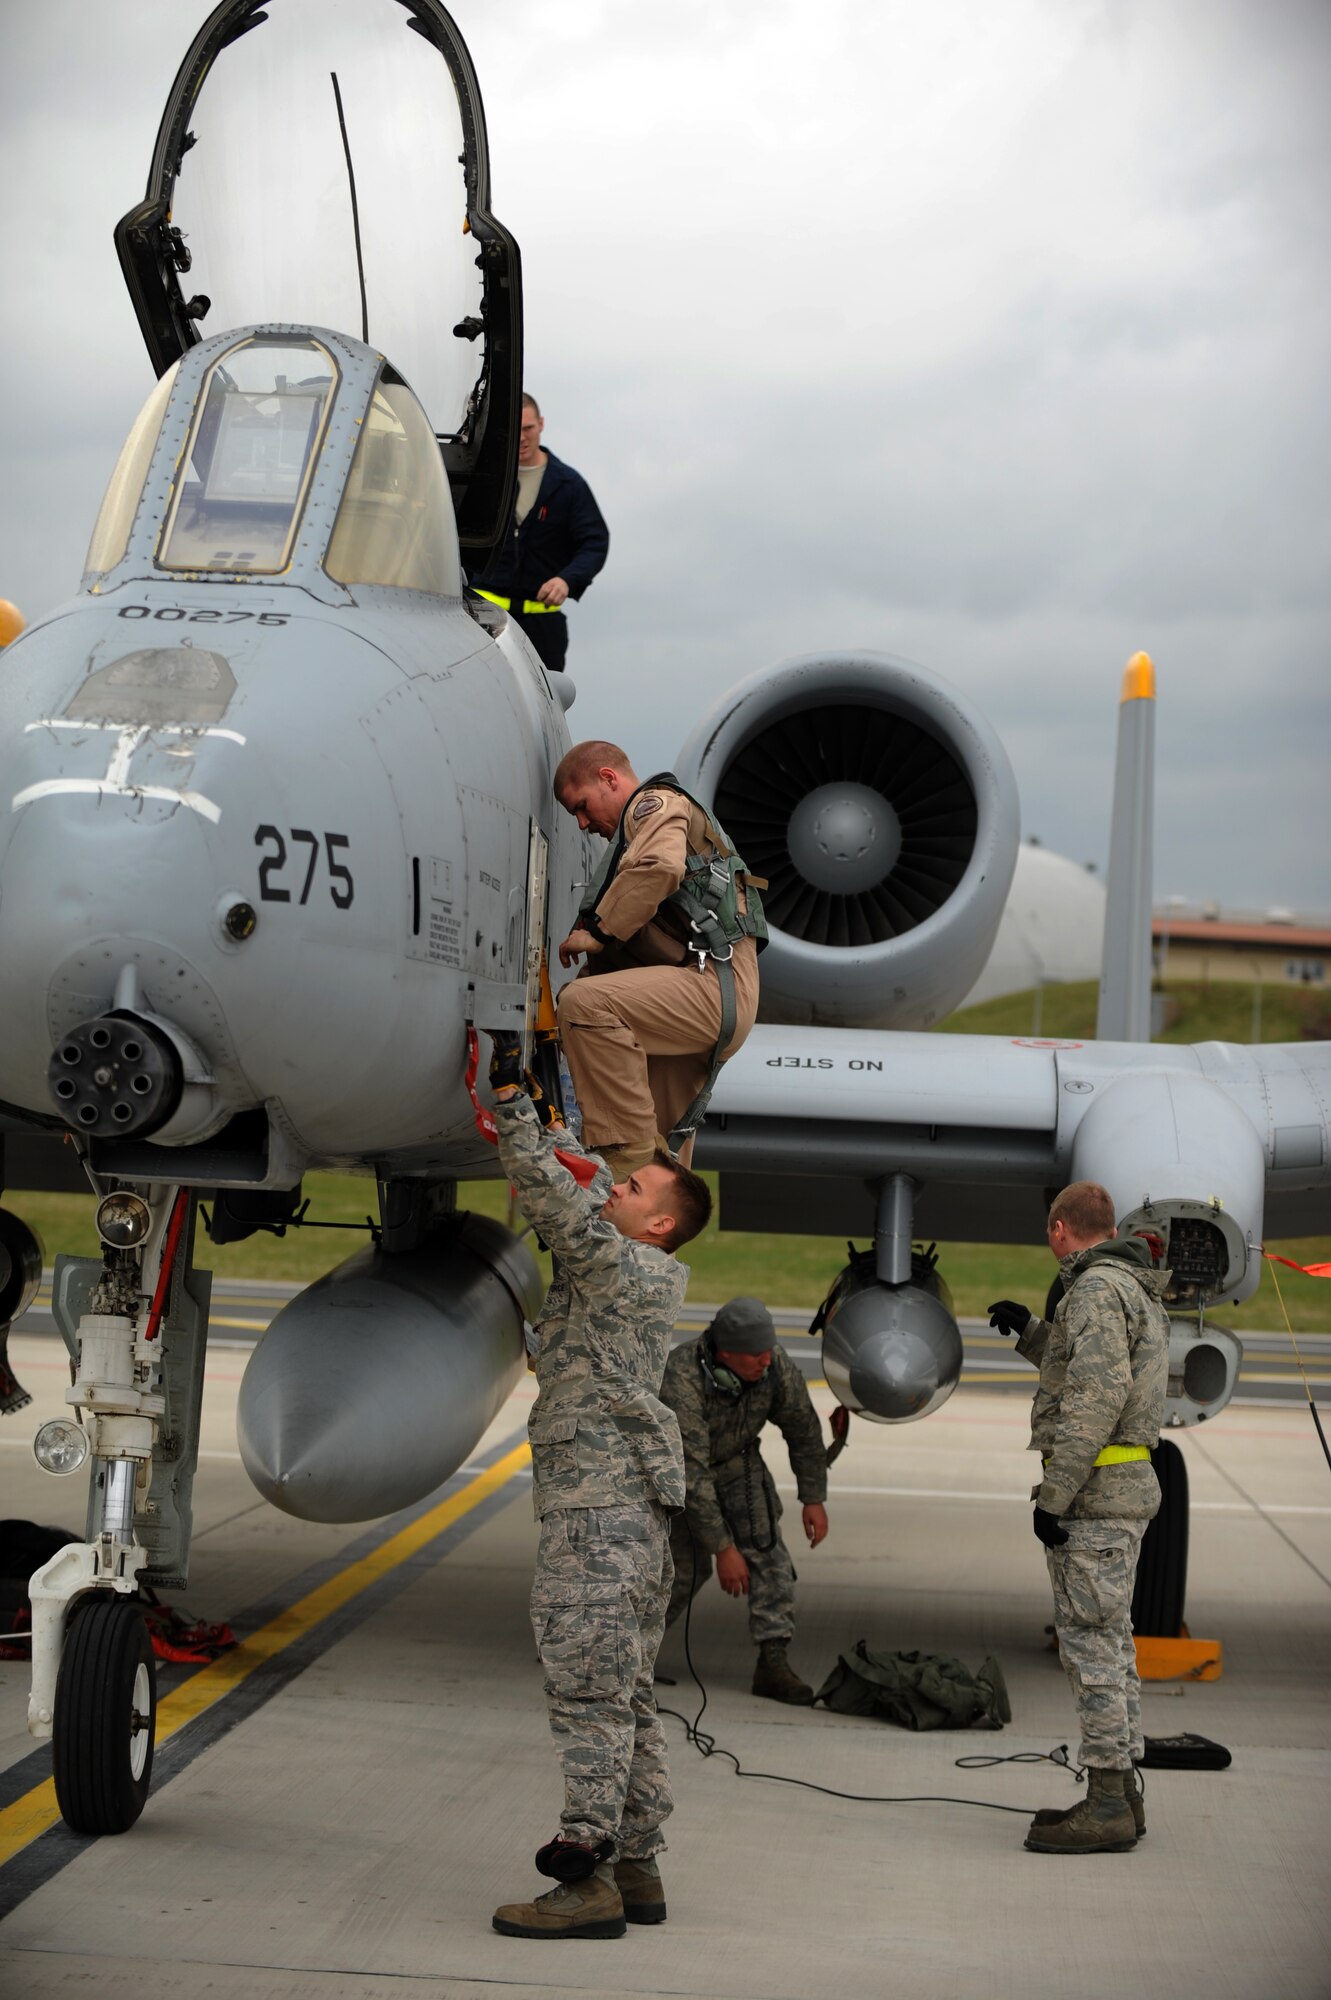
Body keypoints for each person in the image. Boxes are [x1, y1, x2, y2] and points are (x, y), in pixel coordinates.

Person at [485, 1030, 712, 1941]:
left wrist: (509, 1104)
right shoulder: (627, 1275)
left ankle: (585, 1879)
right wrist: (551, 1115)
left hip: (598, 1524)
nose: (615, 1186)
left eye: (633, 1190)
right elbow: (578, 1192)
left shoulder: (618, 1264)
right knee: (628, 1699)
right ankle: (638, 1867)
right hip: (629, 1526)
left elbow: (555, 1202)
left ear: (658, 1222)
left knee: (585, 1693)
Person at [988, 1179, 1170, 1855]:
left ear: (1059, 1229)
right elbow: (1097, 1370)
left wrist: (1054, 1495)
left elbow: (1095, 1395)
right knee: (1112, 1646)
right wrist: (1034, 1332)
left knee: (1091, 1651)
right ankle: (1122, 1793)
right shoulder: (1129, 1284)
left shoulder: (1094, 1289)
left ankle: (1105, 1805)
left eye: (1049, 1231)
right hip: (1122, 1483)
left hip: (1095, 1493)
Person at [553, 741, 766, 1175]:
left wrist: (598, 933)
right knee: (664, 1166)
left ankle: (622, 1164)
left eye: (582, 805)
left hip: (712, 986)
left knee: (583, 1003)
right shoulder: (632, 834)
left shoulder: (653, 806)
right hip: (705, 990)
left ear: (609, 779)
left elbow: (659, 867)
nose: (581, 823)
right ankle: (644, 1222)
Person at [658, 1297, 830, 1705]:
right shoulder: (681, 1378)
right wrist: (723, 1549)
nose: (765, 1362)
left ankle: (772, 1663)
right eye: (754, 1355)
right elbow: (691, 1475)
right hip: (684, 1475)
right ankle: (615, 1654)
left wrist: (813, 1497)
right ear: (725, 1354)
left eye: (768, 1350)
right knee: (681, 1573)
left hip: (739, 1465)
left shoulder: (773, 1365)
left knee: (770, 1558)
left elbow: (802, 1427)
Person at [471, 394, 609, 672]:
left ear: (541, 424)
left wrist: (567, 580)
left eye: (528, 428)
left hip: (544, 631)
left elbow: (595, 543)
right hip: (481, 620)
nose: (521, 437)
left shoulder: (569, 485)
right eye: (516, 428)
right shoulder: (482, 478)